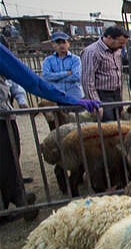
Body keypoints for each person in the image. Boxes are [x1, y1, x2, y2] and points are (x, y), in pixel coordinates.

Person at [1, 42, 100, 221]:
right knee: (6, 160)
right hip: (1, 120)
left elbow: (29, 80)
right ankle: (14, 202)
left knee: (9, 160)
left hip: (3, 116)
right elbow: (32, 80)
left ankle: (12, 199)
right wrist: (67, 100)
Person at [81, 25, 128, 121]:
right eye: (120, 42)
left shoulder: (117, 50)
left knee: (119, 122)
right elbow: (87, 80)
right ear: (109, 38)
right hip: (102, 95)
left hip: (116, 94)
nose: (122, 46)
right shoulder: (92, 52)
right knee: (108, 125)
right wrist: (95, 103)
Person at [41, 31, 83, 100]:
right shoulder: (48, 60)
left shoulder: (75, 59)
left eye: (64, 42)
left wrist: (55, 79)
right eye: (58, 43)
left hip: (74, 95)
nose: (61, 45)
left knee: (78, 110)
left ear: (68, 44)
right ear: (53, 44)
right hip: (56, 96)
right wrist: (66, 73)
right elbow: (46, 76)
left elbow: (77, 76)